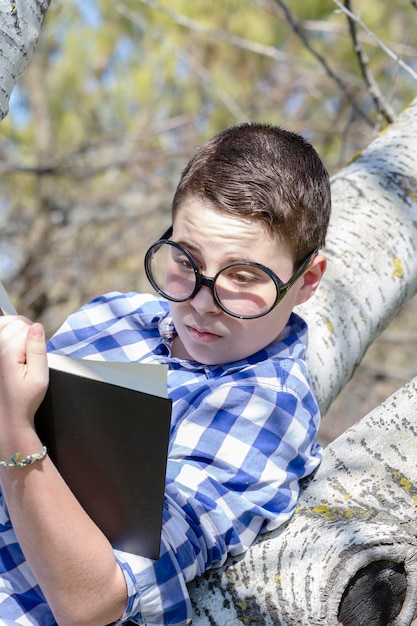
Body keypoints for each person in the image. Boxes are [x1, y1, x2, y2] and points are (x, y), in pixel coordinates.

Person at [0, 122, 331, 625]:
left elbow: (94, 602)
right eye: (185, 260)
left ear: (305, 281)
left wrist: (13, 435)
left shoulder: (266, 409)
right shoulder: (111, 315)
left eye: (242, 277)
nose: (201, 304)